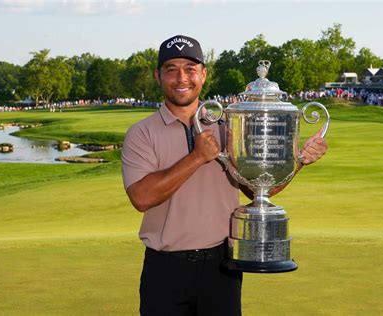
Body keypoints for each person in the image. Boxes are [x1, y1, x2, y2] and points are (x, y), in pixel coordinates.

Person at [121, 35, 328, 316]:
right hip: (165, 270)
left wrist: (300, 160)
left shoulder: (230, 125)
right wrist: (197, 157)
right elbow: (141, 198)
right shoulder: (141, 133)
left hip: (222, 268)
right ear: (158, 76)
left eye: (190, 69)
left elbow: (259, 190)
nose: (182, 78)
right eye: (172, 70)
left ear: (203, 75)